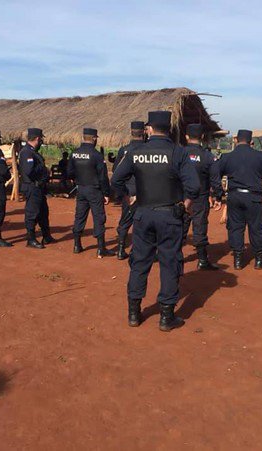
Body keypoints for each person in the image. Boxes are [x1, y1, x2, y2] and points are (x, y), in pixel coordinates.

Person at [111, 111, 201, 332]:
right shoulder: (177, 152)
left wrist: (128, 199)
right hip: (170, 216)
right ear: (168, 129)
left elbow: (116, 180)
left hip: (143, 214)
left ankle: (134, 313)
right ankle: (166, 317)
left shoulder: (135, 152)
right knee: (170, 263)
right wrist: (185, 206)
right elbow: (195, 187)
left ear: (149, 128)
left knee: (140, 263)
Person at [210, 129, 262, 270]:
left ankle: (238, 260)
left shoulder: (228, 157)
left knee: (235, 227)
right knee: (256, 228)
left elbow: (214, 173)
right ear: (251, 142)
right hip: (254, 197)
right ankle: (260, 261)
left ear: (235, 140)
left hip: (234, 196)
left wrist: (219, 193)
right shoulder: (260, 156)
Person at [69, 128, 115, 257]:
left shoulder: (74, 153)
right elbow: (103, 177)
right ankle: (101, 248)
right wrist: (106, 193)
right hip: (94, 191)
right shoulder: (96, 155)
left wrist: (76, 180)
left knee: (79, 217)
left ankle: (77, 245)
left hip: (81, 189)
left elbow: (69, 172)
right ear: (94, 138)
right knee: (98, 218)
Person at [182, 123, 221, 270]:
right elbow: (215, 180)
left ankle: (176, 258)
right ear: (203, 137)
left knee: (179, 226)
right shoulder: (208, 156)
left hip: (182, 198)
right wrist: (217, 197)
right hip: (200, 198)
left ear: (186, 137)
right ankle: (202, 260)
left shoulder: (179, 153)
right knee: (200, 227)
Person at [112, 121, 146, 260]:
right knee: (143, 223)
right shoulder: (148, 149)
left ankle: (120, 250)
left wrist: (124, 193)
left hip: (128, 190)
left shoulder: (124, 150)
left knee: (125, 220)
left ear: (131, 132)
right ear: (143, 132)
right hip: (145, 191)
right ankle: (139, 251)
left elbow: (116, 171)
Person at [18, 128, 55, 248]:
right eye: (41, 139)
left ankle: (47, 236)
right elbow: (29, 171)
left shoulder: (32, 152)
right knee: (32, 213)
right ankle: (31, 238)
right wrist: (44, 169)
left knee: (43, 212)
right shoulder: (27, 152)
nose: (41, 142)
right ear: (37, 139)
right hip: (32, 187)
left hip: (38, 188)